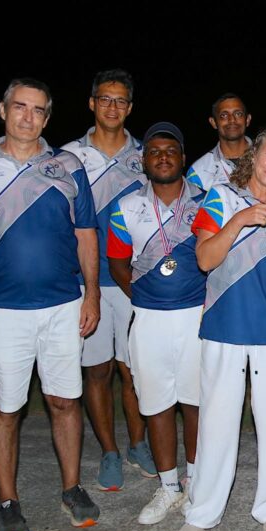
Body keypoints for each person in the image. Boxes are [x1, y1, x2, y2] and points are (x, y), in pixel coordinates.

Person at [0, 78, 101, 531]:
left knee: (64, 400)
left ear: (47, 118)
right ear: (2, 110)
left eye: (37, 110)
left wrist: (92, 292)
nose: (27, 117)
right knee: (6, 407)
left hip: (63, 305)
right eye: (20, 107)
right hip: (1, 310)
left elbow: (86, 234)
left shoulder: (68, 166)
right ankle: (8, 502)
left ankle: (72, 488)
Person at [178, 127, 266, 531]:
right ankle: (202, 513)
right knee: (217, 422)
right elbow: (205, 259)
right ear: (254, 155)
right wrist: (240, 220)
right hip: (225, 326)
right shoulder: (220, 198)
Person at [107, 122, 206, 525]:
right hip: (148, 319)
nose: (163, 158)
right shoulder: (126, 207)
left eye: (171, 151)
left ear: (183, 158)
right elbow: (117, 262)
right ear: (143, 160)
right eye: (154, 152)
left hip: (198, 317)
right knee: (157, 404)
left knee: (196, 402)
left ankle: (196, 482)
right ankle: (168, 487)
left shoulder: (208, 202)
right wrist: (144, 296)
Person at [61, 68, 156, 491]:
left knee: (134, 371)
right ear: (92, 103)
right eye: (105, 99)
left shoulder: (146, 155)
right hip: (87, 284)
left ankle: (138, 444)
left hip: (133, 280)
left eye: (120, 100)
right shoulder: (67, 158)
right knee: (97, 371)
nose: (112, 107)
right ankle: (109, 452)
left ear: (129, 107)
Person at [186, 93, 252, 192]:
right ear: (213, 122)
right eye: (224, 115)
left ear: (247, 120)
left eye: (238, 114)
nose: (232, 120)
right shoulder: (199, 172)